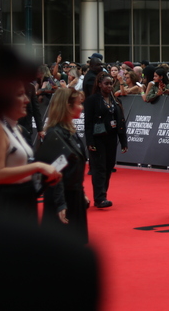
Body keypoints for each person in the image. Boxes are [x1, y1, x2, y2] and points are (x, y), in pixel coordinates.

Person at [0, 82, 62, 225]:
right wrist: (37, 167)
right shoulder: (0, 130)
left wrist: (42, 177)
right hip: (8, 204)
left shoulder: (17, 128)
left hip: (25, 199)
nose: (27, 100)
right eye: (20, 95)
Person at [41, 88, 89, 244]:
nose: (82, 107)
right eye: (79, 104)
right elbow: (55, 173)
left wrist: (81, 192)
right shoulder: (55, 134)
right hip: (61, 197)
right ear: (67, 106)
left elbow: (74, 167)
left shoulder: (71, 132)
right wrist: (61, 203)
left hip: (74, 194)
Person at [84, 73, 128, 208]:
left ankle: (103, 194)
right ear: (99, 84)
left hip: (111, 137)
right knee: (99, 168)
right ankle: (99, 198)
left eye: (111, 84)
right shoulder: (92, 100)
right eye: (106, 83)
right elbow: (88, 123)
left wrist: (123, 141)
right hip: (97, 138)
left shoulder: (115, 100)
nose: (109, 86)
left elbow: (121, 120)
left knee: (109, 167)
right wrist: (89, 141)